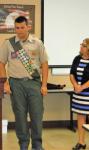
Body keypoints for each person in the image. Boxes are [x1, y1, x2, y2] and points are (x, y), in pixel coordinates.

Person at [0, 16, 48, 150]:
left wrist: (44, 85)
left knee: (37, 115)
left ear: (28, 27)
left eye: (22, 27)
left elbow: (44, 64)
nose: (19, 30)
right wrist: (5, 83)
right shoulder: (9, 43)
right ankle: (23, 144)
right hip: (16, 84)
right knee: (20, 115)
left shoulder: (37, 43)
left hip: (34, 83)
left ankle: (37, 145)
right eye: (17, 28)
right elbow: (1, 63)